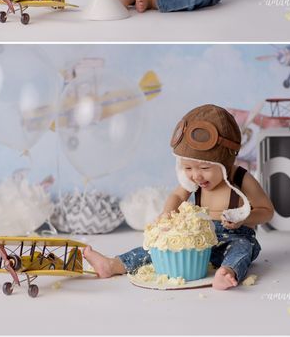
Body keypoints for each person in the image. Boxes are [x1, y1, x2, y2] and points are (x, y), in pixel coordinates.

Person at [84, 105, 275, 290]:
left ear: (225, 162)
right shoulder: (194, 182)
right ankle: (112, 265)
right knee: (157, 250)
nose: (196, 176)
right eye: (188, 168)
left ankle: (227, 273)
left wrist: (243, 218)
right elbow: (177, 195)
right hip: (198, 241)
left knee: (242, 249)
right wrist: (167, 214)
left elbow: (267, 212)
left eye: (205, 168)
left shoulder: (241, 179)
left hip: (235, 236)